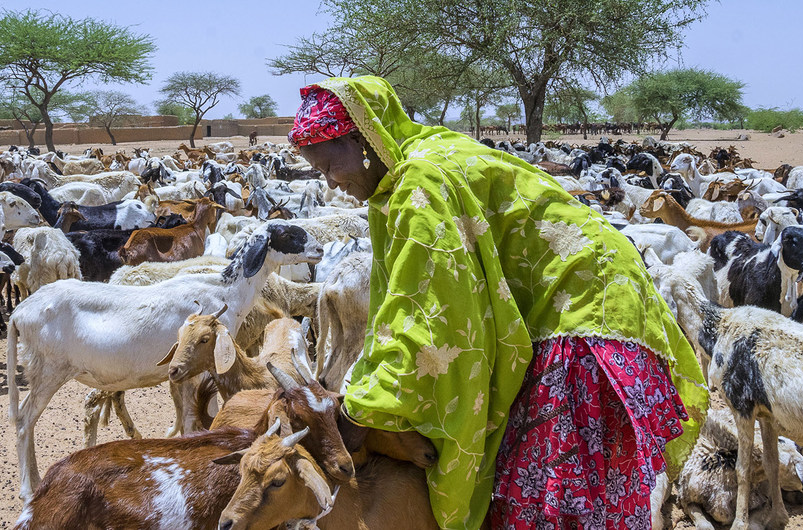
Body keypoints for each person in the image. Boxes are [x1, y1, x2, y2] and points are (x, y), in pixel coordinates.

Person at [288, 76, 707, 530]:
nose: (330, 183)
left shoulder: (420, 183)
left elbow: (433, 325)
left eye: (330, 165)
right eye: (319, 173)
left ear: (361, 139)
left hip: (581, 308)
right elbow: (402, 310)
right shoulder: (411, 167)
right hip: (580, 297)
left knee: (550, 490)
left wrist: (360, 414)